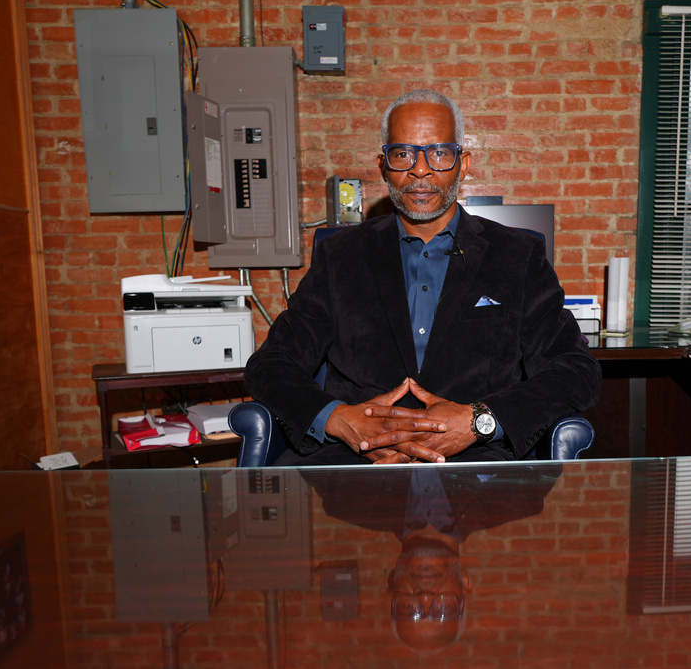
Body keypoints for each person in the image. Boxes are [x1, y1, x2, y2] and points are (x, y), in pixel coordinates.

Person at [244, 88, 601, 465]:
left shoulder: (517, 256)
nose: (420, 170)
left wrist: (479, 420)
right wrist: (337, 418)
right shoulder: (341, 256)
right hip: (357, 466)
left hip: (480, 471)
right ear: (383, 165)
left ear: (463, 163)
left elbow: (577, 370)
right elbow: (270, 364)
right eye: (403, 154)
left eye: (439, 153)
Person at [303, 464, 561, 650]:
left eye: (407, 608)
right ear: (466, 584)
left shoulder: (345, 502)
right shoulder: (518, 500)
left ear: (392, 582)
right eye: (444, 608)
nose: (425, 597)